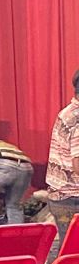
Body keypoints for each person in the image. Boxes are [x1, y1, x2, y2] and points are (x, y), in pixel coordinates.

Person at [46, 68, 79, 251]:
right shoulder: (77, 118)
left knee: (67, 249)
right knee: (72, 253)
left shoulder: (69, 112)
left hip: (64, 196)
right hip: (72, 197)